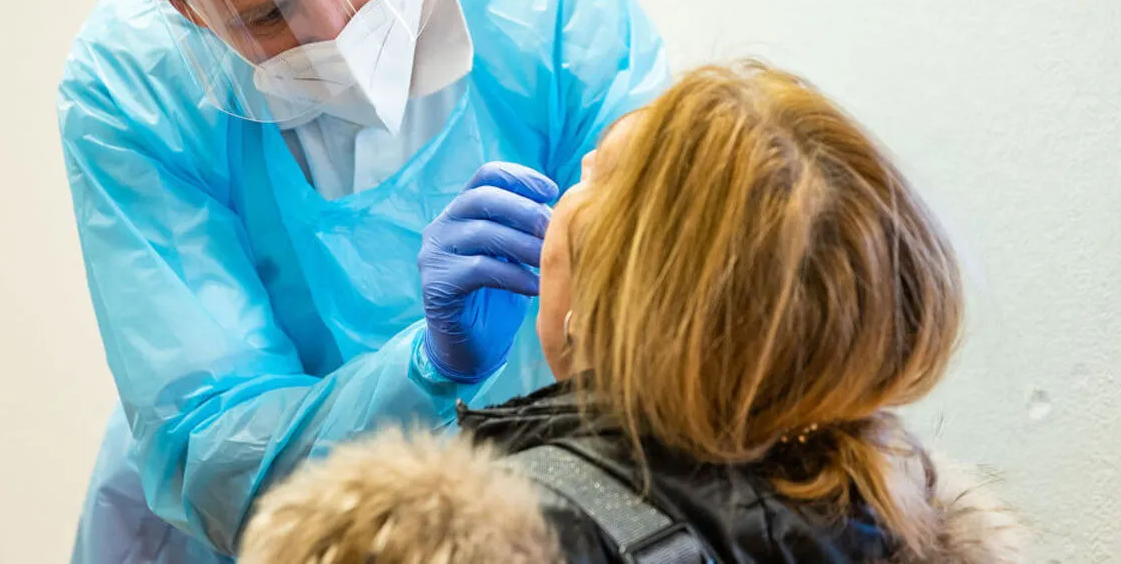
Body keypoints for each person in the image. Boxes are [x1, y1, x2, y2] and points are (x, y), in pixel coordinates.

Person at [58, 0, 668, 561]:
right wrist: (425, 369)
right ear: (186, 7)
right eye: (266, 13)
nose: (335, 28)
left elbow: (670, 318)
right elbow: (219, 451)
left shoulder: (550, 6)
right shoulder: (135, 93)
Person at [236, 62, 1025, 564]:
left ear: (608, 307)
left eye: (596, 174)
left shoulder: (444, 544)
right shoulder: (898, 522)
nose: (568, 178)